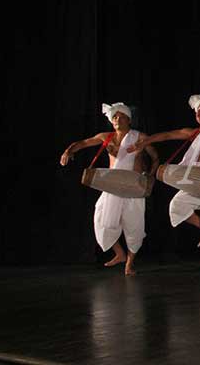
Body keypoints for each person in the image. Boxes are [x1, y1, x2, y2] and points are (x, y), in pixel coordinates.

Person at [132, 95, 200, 278]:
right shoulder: (194, 133)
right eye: (197, 109)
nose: (199, 111)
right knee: (177, 206)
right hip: (197, 179)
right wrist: (146, 141)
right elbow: (167, 135)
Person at [60, 102, 158, 276]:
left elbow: (155, 157)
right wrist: (68, 151)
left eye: (121, 116)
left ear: (129, 120)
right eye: (114, 117)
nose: (117, 119)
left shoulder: (139, 137)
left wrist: (150, 176)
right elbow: (83, 143)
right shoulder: (106, 137)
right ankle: (120, 254)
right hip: (112, 185)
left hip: (134, 185)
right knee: (101, 219)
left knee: (134, 225)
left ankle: (129, 263)